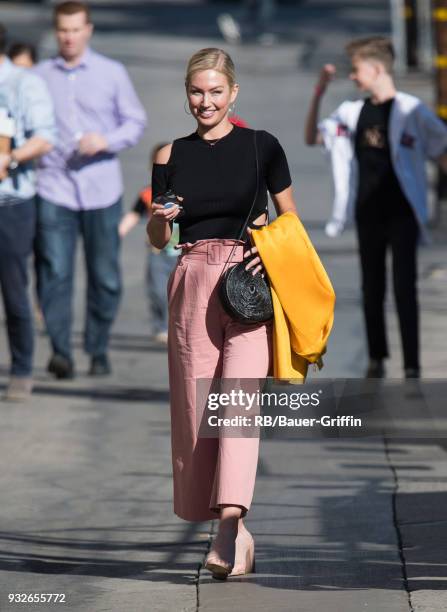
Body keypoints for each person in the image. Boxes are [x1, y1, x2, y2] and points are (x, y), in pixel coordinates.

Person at [147, 47, 297, 578]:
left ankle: (229, 525)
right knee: (196, 417)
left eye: (215, 91)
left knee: (237, 407)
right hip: (192, 282)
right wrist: (159, 219)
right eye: (196, 91)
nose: (204, 101)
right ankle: (239, 533)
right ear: (186, 93)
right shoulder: (169, 155)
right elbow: (158, 238)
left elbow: (290, 221)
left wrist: (266, 249)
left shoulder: (263, 147)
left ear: (233, 94)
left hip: (248, 285)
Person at [305, 36, 447, 379]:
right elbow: (313, 137)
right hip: (367, 211)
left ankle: (411, 364)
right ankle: (377, 358)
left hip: (402, 212)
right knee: (372, 286)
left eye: (356, 70)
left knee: (404, 286)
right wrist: (319, 92)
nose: (352, 77)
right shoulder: (352, 113)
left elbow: (441, 149)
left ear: (377, 69)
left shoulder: (412, 111)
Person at [34, 1, 147, 379]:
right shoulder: (39, 75)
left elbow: (135, 121)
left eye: (76, 29)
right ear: (56, 31)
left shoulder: (111, 73)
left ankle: (98, 348)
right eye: (63, 30)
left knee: (105, 276)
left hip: (101, 189)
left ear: (89, 30)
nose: (69, 37)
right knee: (55, 273)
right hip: (54, 187)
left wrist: (106, 139)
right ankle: (61, 352)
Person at [0, 23, 56, 401]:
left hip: (11, 202)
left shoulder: (23, 83)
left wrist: (11, 156)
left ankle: (21, 369)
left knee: (13, 287)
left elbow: (45, 137)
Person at [119, 142, 178, 345]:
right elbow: (135, 214)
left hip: (183, 253)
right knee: (157, 291)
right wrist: (119, 232)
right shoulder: (148, 193)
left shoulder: (188, 192)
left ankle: (180, 326)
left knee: (182, 295)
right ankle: (161, 326)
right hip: (157, 253)